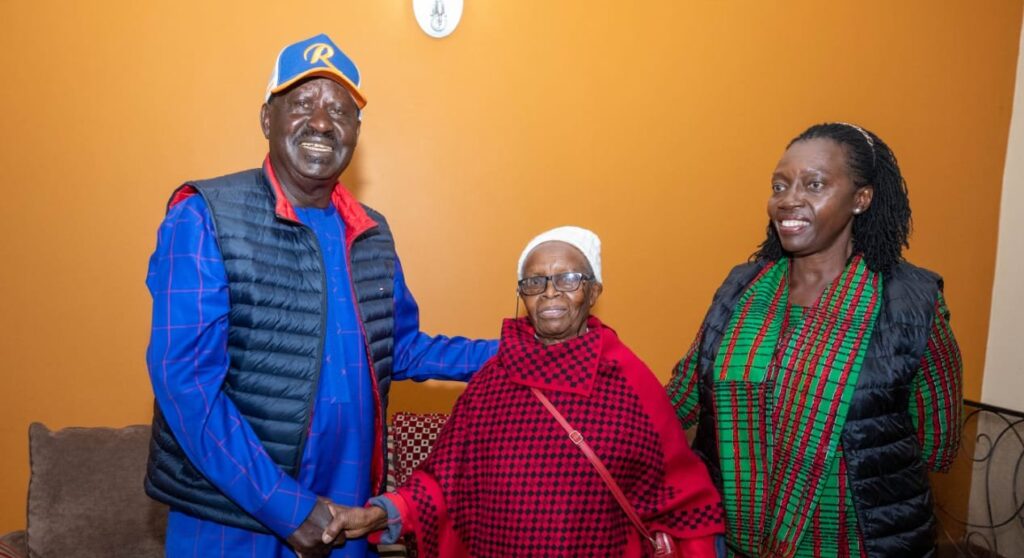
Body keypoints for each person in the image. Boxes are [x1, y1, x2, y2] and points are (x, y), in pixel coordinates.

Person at [143, 33, 497, 558]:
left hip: (344, 516)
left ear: (357, 131)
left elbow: (400, 348)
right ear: (268, 119)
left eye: (340, 109)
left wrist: (513, 348)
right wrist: (285, 506)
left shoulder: (371, 231)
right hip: (233, 520)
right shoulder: (204, 215)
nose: (322, 122)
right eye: (303, 103)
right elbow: (186, 386)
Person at [324, 226, 726, 557]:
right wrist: (379, 514)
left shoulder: (629, 382)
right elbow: (442, 483)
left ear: (595, 291)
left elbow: (682, 501)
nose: (550, 293)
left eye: (569, 279)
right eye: (535, 282)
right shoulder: (492, 380)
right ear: (523, 295)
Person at [666, 123, 963, 557]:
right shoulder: (742, 287)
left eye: (815, 184)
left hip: (859, 544)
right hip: (732, 541)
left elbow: (937, 441)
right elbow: (682, 397)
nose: (789, 199)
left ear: (861, 199)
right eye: (779, 185)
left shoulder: (911, 302)